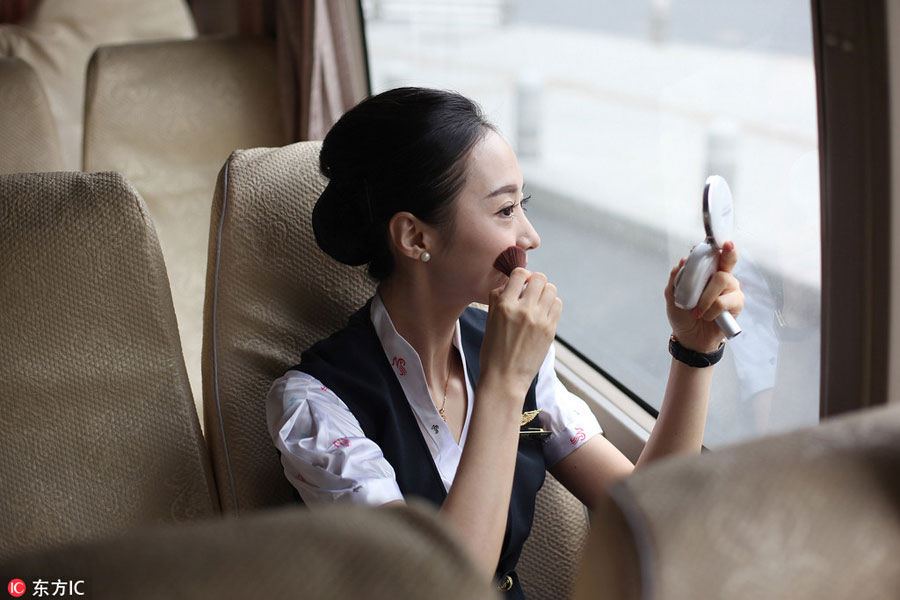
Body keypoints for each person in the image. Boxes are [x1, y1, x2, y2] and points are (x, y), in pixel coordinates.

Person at [267, 87, 744, 598]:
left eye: (524, 205)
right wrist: (503, 382)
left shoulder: (519, 359)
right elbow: (440, 590)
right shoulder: (315, 407)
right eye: (505, 210)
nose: (530, 236)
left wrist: (693, 351)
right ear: (415, 238)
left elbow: (651, 515)